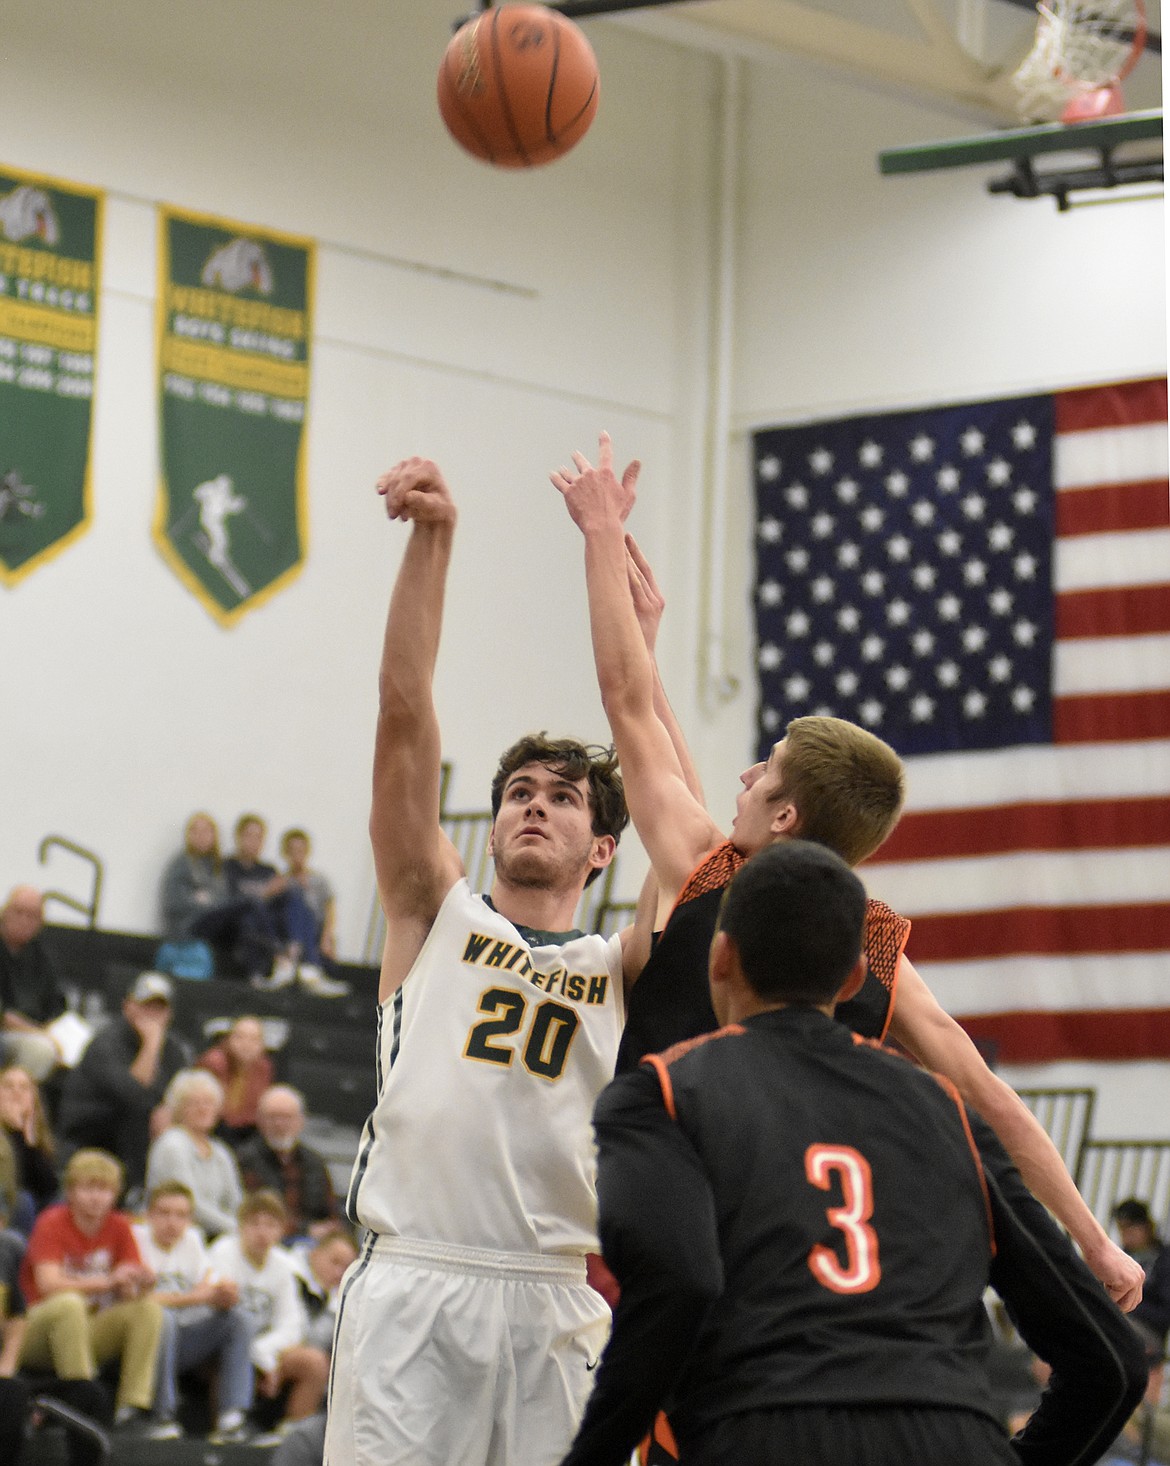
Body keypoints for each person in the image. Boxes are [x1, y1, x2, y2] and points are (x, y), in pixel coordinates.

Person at [551, 430, 1145, 1314]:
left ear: (785, 817)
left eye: (767, 766)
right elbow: (992, 1098)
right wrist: (1095, 1241)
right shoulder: (867, 939)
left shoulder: (711, 878)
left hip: (655, 1215)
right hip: (788, 1249)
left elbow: (624, 703)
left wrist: (601, 536)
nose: (747, 775)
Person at [560, 841, 1148, 1466]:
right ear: (853, 980)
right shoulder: (947, 1109)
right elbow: (1111, 1366)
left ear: (720, 958)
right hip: (945, 1434)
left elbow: (678, 1288)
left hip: (762, 1431)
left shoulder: (663, 1092)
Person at [324, 455, 631, 1466]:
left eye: (563, 794)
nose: (534, 801)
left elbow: (686, 831)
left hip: (555, 1293)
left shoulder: (627, 963)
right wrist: (435, 538)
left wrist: (641, 647)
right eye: (518, 789)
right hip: (418, 1274)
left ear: (601, 847)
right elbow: (403, 712)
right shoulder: (435, 909)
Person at [17, 1149, 171, 1438]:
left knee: (148, 1309)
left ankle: (132, 1408)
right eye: (88, 1188)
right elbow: (48, 1283)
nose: (96, 1197)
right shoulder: (52, 1221)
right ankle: (84, 1401)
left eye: (104, 1190)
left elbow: (126, 1286)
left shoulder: (120, 1226)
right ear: (71, 1191)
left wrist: (139, 1283)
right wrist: (109, 1280)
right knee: (69, 1303)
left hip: (87, 1330)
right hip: (38, 1329)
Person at [132, 1180, 257, 1443]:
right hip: (141, 1342)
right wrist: (197, 1296)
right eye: (164, 1213)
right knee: (159, 1317)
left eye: (181, 1215)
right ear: (148, 1215)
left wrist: (222, 1295)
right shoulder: (135, 1238)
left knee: (240, 1319)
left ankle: (231, 1416)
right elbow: (138, 1301)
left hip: (182, 1338)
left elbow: (208, 1285)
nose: (172, 1222)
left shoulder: (192, 1240)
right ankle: (162, 1415)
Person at [207, 1190, 327, 1441]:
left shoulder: (284, 1264)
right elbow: (222, 1315)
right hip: (225, 1346)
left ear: (281, 1231)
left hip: (266, 1350)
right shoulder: (223, 1252)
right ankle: (226, 1428)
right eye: (254, 1224)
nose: (262, 1232)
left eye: (270, 1225)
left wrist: (264, 1354)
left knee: (314, 1362)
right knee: (234, 1353)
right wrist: (258, 1357)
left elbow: (291, 1324)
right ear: (240, 1227)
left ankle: (292, 1436)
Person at [57, 972, 189, 1194]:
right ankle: (136, 1193)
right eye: (146, 1006)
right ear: (128, 1006)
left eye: (159, 1008)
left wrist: (170, 1110)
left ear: (169, 1014)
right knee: (137, 1116)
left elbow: (181, 1092)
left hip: (134, 1131)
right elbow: (131, 1096)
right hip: (90, 1132)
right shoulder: (105, 1043)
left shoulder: (175, 1050)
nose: (152, 1015)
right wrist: (151, 1045)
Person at [145, 1070, 244, 1240]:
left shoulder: (221, 1151)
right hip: (181, 1235)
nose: (202, 1109)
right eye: (193, 1103)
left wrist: (246, 1226)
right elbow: (191, 1205)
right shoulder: (172, 1145)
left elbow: (236, 1201)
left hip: (221, 1235)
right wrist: (237, 1230)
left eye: (208, 1103)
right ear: (179, 1108)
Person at [236, 1086, 339, 1243]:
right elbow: (250, 1210)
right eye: (272, 1117)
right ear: (259, 1120)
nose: (279, 1124)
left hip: (315, 1243)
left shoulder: (315, 1163)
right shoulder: (244, 1160)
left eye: (287, 1117)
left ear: (301, 1121)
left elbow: (332, 1212)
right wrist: (305, 1230)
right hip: (267, 1240)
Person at [0, 886, 66, 1084]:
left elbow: (56, 1004)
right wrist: (43, 1035)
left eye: (33, 916)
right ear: (4, 912)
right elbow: (4, 1016)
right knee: (41, 1049)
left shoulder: (44, 958)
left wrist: (54, 1031)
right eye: (19, 912)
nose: (25, 920)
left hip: (35, 1029)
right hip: (7, 1032)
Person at [279, 830, 347, 996]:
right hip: (289, 933)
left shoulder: (319, 880)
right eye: (292, 851)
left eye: (301, 851)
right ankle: (305, 966)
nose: (297, 856)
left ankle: (311, 967)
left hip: (316, 933)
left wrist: (327, 937)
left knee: (307, 914)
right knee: (296, 902)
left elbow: (329, 909)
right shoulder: (281, 881)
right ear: (285, 853)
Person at [196, 1016, 274, 1148]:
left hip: (248, 1132)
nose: (246, 1045)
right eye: (240, 1037)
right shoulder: (213, 1062)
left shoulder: (264, 1067)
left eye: (254, 1040)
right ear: (229, 1039)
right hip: (214, 1128)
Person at [0, 1064, 59, 1233]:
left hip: (33, 1206)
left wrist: (27, 1137)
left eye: (24, 1087)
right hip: (7, 1203)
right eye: (8, 1086)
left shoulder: (38, 1137)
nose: (16, 1092)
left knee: (57, 1202)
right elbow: (13, 1181)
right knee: (23, 1200)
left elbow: (48, 1188)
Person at [1113, 1199, 1170, 1362]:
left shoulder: (1164, 1261)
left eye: (1130, 1228)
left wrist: (1128, 1306)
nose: (1126, 1235)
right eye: (1121, 1229)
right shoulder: (1119, 1257)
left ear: (1146, 1226)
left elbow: (1165, 1313)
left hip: (1149, 1333)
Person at [159, 812, 230, 942]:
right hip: (186, 932)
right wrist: (204, 903)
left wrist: (206, 899)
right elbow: (174, 902)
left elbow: (224, 900)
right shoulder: (181, 864)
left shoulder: (219, 866)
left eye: (206, 831)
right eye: (195, 831)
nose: (201, 836)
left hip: (215, 930)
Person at [288, 1224, 357, 1355]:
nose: (338, 1273)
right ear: (315, 1254)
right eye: (335, 1262)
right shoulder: (291, 1275)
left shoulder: (332, 1293)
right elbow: (306, 1340)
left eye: (345, 1267)